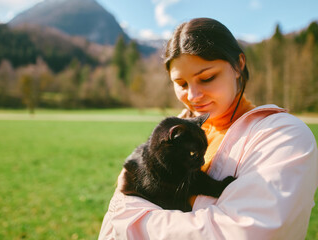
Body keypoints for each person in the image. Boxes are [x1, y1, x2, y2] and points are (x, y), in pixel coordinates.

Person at [99, 18, 318, 239]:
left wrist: (127, 216)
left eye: (207, 78)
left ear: (238, 66)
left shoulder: (284, 136)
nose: (193, 96)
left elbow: (243, 232)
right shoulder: (172, 135)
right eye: (182, 84)